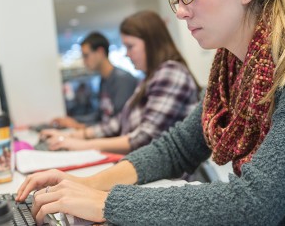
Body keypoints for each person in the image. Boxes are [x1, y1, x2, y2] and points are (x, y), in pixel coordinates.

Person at [16, 0, 285, 224]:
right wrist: (84, 184)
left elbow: (253, 203)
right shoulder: (233, 72)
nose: (181, 11)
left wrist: (105, 203)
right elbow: (176, 149)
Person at [40, 10, 200, 154]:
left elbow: (144, 138)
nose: (127, 54)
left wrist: (79, 144)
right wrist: (72, 136)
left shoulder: (170, 73)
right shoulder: (151, 77)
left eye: (131, 46)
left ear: (152, 43)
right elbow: (117, 122)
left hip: (170, 177)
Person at [51, 32, 138, 129]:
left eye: (86, 55)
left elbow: (118, 123)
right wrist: (73, 120)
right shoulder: (104, 80)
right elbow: (100, 116)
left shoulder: (122, 80)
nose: (84, 61)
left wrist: (80, 127)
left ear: (100, 52)